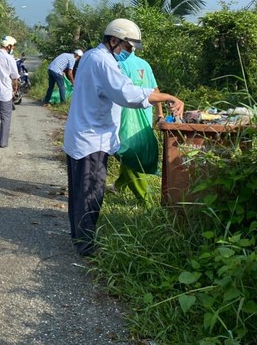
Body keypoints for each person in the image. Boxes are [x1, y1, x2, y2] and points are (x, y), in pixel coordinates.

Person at [62, 18, 184, 256]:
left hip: (83, 135)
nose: (128, 53)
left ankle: (79, 239)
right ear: (114, 40)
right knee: (90, 193)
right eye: (127, 48)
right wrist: (167, 97)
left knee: (80, 191)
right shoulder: (102, 61)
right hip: (92, 140)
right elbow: (127, 94)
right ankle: (86, 247)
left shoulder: (90, 56)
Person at [114, 50, 164, 206]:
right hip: (144, 118)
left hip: (125, 119)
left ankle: (146, 202)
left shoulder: (117, 64)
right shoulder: (144, 64)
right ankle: (117, 187)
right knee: (131, 153)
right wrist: (159, 114)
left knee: (128, 155)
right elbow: (155, 92)